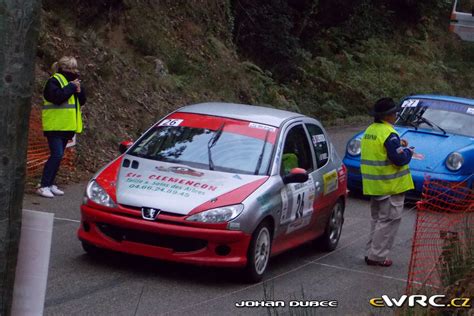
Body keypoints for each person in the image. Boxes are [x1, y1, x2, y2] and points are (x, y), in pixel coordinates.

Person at [361, 98, 414, 267]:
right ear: (389, 115)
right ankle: (377, 256)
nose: (396, 115)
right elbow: (399, 159)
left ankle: (370, 252)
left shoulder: (370, 130)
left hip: (374, 186)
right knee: (388, 222)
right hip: (389, 187)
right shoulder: (389, 134)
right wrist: (408, 151)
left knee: (377, 221)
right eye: (394, 113)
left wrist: (399, 145)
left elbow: (382, 150)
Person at [37, 56, 86, 198]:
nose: (74, 71)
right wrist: (71, 87)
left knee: (59, 156)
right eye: (71, 68)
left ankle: (50, 183)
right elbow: (56, 97)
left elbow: (82, 101)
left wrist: (79, 91)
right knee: (56, 154)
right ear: (64, 68)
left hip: (67, 126)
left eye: (75, 68)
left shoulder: (72, 82)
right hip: (54, 126)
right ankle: (43, 185)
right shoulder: (54, 81)